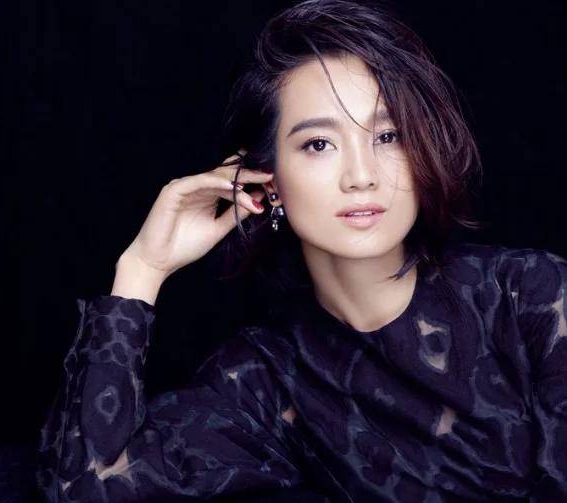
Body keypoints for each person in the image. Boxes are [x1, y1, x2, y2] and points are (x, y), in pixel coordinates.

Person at [36, 0, 567, 501]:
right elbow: (85, 486)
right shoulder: (270, 376)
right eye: (319, 144)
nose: (362, 176)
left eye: (388, 136)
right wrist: (142, 269)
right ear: (267, 181)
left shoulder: (531, 298)